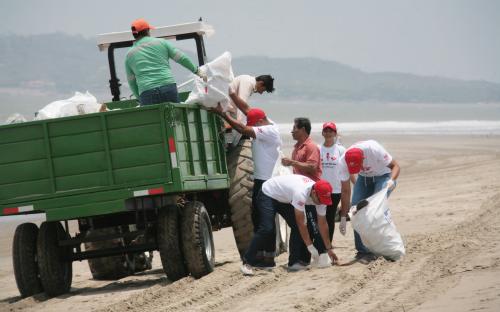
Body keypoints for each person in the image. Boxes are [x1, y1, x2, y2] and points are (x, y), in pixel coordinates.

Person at [212, 103, 281, 266]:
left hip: (267, 182)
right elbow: (247, 111)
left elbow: (244, 130)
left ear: (261, 121)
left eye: (254, 125)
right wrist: (234, 99)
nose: (253, 128)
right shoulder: (264, 123)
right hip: (260, 181)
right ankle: (264, 255)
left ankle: (269, 258)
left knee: (266, 221)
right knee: (258, 219)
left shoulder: (270, 131)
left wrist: (223, 114)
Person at [240, 175, 339, 275]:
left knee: (295, 226)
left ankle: (293, 262)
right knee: (267, 229)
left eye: (324, 200)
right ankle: (247, 262)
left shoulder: (321, 197)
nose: (321, 203)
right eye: (320, 200)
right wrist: (311, 247)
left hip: (284, 198)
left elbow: (322, 223)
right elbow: (301, 223)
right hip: (268, 193)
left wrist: (329, 249)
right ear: (314, 193)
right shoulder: (301, 192)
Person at [337, 140, 401, 261]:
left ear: (363, 157)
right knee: (355, 211)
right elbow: (345, 191)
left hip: (384, 176)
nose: (360, 168)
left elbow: (396, 166)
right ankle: (362, 251)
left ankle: (387, 247)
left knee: (375, 210)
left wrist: (391, 181)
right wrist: (344, 218)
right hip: (364, 179)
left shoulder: (374, 149)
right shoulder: (342, 161)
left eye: (359, 164)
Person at [281, 118, 328, 265]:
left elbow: (312, 167)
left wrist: (292, 162)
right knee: (302, 225)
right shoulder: (297, 147)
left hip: (313, 193)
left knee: (314, 226)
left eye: (294, 128)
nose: (292, 131)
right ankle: (304, 258)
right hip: (301, 192)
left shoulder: (311, 146)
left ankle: (323, 256)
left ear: (302, 129)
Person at [125, 18, 204, 105]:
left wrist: (139, 98)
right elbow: (181, 58)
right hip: (168, 87)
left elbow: (131, 81)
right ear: (147, 31)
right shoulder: (161, 43)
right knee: (176, 117)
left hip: (147, 92)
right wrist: (196, 71)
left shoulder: (129, 55)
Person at [225, 75, 275, 146]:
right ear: (261, 83)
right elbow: (241, 104)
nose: (261, 93)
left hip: (228, 109)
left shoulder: (248, 81)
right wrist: (240, 125)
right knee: (238, 135)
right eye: (263, 90)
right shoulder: (248, 83)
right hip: (225, 108)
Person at [319, 122, 346, 241]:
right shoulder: (318, 148)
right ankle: (320, 241)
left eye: (331, 131)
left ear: (335, 133)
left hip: (335, 190)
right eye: (326, 131)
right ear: (322, 133)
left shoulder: (341, 150)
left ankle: (327, 243)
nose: (328, 133)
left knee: (329, 217)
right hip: (319, 189)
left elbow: (346, 170)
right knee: (319, 216)